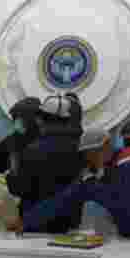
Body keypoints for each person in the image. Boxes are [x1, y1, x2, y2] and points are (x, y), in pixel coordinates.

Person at [21, 129, 130, 241]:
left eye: (92, 153)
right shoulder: (95, 179)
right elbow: (62, 201)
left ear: (106, 146)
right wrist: (25, 222)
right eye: (86, 155)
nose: (90, 159)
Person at [7, 94, 85, 234]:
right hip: (70, 225)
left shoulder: (32, 151)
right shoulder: (80, 149)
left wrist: (12, 174)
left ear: (41, 119)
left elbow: (19, 188)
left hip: (35, 224)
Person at [0, 97, 42, 176]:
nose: (16, 122)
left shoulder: (42, 141)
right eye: (15, 118)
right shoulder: (14, 139)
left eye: (20, 118)